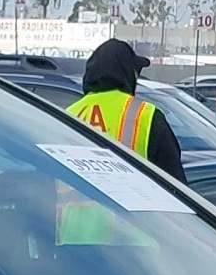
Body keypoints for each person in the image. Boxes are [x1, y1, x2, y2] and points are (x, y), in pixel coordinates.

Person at [68, 38, 184, 178]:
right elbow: (175, 184)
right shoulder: (144, 115)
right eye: (136, 72)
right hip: (128, 199)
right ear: (127, 73)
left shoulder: (69, 114)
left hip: (74, 200)